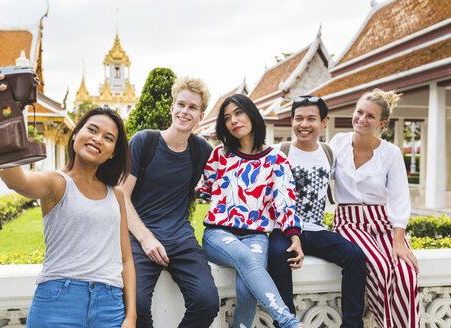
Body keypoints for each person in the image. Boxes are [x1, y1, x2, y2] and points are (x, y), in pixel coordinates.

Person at [0, 66, 136, 328]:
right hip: (59, 300)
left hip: (110, 304)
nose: (97, 139)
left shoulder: (115, 195)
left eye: (108, 138)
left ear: (113, 152)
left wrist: (131, 316)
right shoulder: (57, 183)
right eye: (91, 130)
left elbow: (126, 259)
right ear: (76, 135)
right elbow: (18, 181)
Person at [119, 77, 219, 328]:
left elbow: (230, 178)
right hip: (140, 237)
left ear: (201, 116)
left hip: (180, 238)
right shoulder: (145, 141)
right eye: (181, 105)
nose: (185, 112)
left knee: (207, 302)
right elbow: (121, 196)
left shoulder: (201, 150)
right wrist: (146, 238)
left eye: (193, 107)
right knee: (137, 305)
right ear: (172, 108)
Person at [197, 94, 302, 328]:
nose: (233, 120)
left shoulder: (276, 159)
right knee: (246, 259)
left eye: (238, 113)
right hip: (218, 233)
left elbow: (284, 201)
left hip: (256, 235)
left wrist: (294, 237)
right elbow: (204, 189)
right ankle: (289, 322)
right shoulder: (220, 155)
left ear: (251, 114)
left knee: (246, 289)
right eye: (226, 118)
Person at [268, 95, 367, 328]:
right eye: (298, 118)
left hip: (316, 230)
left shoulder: (329, 153)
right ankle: (286, 322)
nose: (304, 125)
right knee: (277, 256)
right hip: (283, 229)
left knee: (355, 256)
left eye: (311, 119)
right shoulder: (277, 152)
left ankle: (352, 324)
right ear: (291, 121)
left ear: (323, 122)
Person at [329, 88, 420, 328]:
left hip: (383, 222)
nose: (362, 119)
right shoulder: (337, 143)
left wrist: (398, 242)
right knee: (380, 267)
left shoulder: (390, 153)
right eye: (359, 112)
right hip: (349, 222)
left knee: (406, 272)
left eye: (370, 116)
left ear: (382, 123)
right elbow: (316, 174)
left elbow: (400, 198)